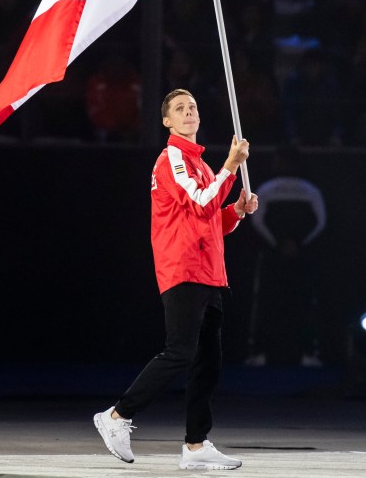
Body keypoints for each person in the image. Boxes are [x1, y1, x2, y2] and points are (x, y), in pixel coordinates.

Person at [93, 88, 258, 470]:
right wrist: (231, 167)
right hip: (183, 268)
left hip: (209, 272)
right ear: (167, 121)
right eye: (180, 109)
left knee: (208, 362)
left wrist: (234, 210)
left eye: (193, 107)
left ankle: (195, 446)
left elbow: (210, 220)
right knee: (180, 351)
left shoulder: (198, 163)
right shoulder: (172, 159)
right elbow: (200, 200)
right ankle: (116, 416)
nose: (189, 113)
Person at [244, 144, 326, 367]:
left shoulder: (303, 190)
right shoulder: (276, 190)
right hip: (283, 255)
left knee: (303, 300)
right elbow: (319, 222)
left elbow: (320, 221)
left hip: (285, 255)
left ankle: (307, 353)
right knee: (269, 301)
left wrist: (285, 244)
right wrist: (291, 244)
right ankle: (261, 352)